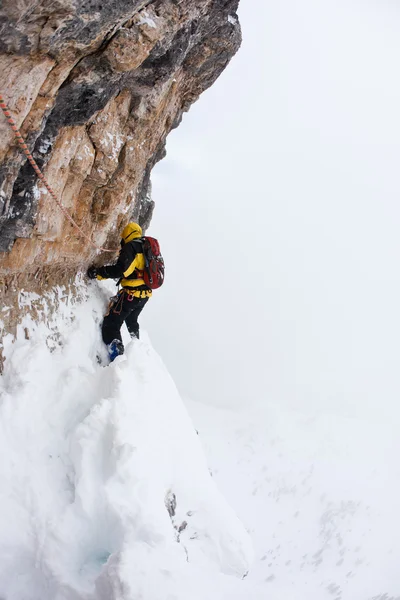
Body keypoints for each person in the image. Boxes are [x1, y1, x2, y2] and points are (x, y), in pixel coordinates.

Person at [87, 222, 152, 361]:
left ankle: (118, 358)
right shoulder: (146, 247)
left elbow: (121, 270)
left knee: (111, 324)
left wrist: (99, 273)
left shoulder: (132, 247)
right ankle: (137, 344)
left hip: (131, 295)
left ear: (126, 235)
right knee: (131, 319)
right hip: (144, 296)